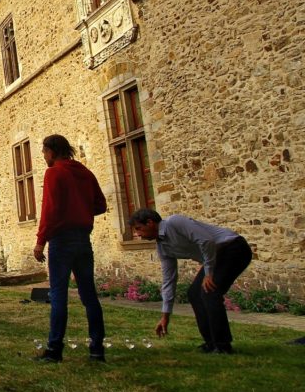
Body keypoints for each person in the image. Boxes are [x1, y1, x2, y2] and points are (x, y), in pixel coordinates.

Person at [129, 208, 253, 354]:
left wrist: (209, 273)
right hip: (216, 257)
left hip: (233, 248)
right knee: (194, 293)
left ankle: (222, 345)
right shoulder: (163, 247)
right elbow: (169, 280)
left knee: (209, 292)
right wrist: (165, 316)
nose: (138, 234)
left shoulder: (174, 222)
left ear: (150, 223)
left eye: (139, 228)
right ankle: (211, 343)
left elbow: (207, 241)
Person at [32, 134, 107, 363]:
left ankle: (54, 350)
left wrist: (40, 240)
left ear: (52, 151)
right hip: (83, 239)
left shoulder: (54, 172)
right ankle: (97, 349)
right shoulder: (84, 172)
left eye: (44, 152)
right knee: (89, 296)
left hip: (61, 240)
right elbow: (100, 205)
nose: (44, 157)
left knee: (58, 295)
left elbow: (50, 211)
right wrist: (81, 213)